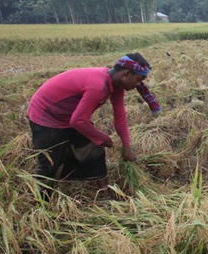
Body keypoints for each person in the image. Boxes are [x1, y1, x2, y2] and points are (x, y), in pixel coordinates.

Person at [27, 53, 151, 197]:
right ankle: (41, 201)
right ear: (127, 73)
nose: (138, 85)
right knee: (49, 161)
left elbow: (120, 116)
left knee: (93, 149)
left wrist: (127, 147)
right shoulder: (98, 86)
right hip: (46, 115)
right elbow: (78, 121)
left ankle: (105, 193)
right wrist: (101, 137)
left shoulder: (116, 85)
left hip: (71, 114)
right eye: (138, 79)